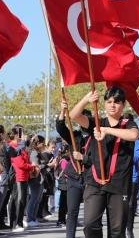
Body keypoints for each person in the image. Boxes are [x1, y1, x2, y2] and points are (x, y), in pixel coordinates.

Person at [70, 87, 139, 238]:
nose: (112, 105)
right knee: (89, 225)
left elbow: (134, 135)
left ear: (124, 104)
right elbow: (74, 115)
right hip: (95, 183)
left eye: (116, 102)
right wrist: (86, 99)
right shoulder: (96, 122)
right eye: (108, 102)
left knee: (117, 231)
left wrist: (107, 130)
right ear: (104, 104)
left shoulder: (128, 123)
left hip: (119, 184)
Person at [56, 101, 87, 238]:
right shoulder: (75, 136)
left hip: (92, 179)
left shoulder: (98, 136)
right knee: (72, 211)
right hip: (74, 178)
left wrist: (83, 157)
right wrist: (62, 111)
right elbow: (61, 127)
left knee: (91, 214)